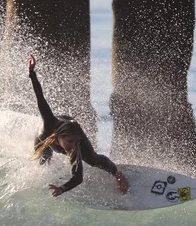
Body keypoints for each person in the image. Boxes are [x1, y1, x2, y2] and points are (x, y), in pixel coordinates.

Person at [28, 54, 129, 197]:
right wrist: (32, 72)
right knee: (43, 160)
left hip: (71, 128)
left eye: (75, 141)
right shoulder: (49, 123)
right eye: (70, 141)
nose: (73, 145)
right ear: (60, 137)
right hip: (46, 137)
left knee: (92, 159)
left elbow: (78, 178)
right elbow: (40, 96)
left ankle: (117, 173)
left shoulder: (76, 144)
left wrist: (62, 189)